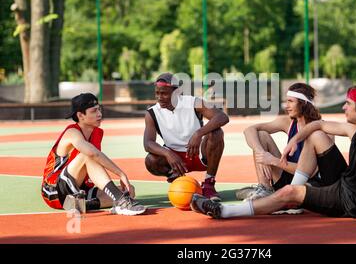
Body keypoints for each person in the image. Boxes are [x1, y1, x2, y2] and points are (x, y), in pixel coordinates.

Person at [190, 84, 356, 225]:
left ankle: (224, 212)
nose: (344, 106)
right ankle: (291, 196)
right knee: (314, 136)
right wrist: (294, 141)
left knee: (290, 192)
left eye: (349, 103)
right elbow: (318, 126)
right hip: (342, 184)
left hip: (350, 203)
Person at [41, 93, 146, 215]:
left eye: (99, 109)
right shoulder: (72, 132)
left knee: (129, 191)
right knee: (86, 155)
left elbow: (93, 165)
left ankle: (81, 204)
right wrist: (120, 174)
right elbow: (93, 154)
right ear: (80, 115)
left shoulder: (97, 133)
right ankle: (122, 202)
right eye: (94, 111)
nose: (100, 114)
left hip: (80, 188)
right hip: (54, 190)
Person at [235, 82, 339, 201]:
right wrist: (261, 154)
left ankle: (284, 198)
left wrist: (273, 160)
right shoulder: (287, 122)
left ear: (303, 103)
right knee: (261, 135)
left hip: (308, 183)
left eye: (290, 101)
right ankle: (265, 189)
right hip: (285, 176)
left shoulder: (323, 131)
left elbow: (310, 172)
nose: (286, 106)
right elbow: (249, 130)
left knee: (303, 192)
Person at [143, 73, 229, 201]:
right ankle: (178, 179)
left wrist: (198, 133)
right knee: (151, 160)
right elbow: (148, 143)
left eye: (164, 93)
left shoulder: (193, 102)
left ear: (177, 92)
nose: (159, 97)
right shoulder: (152, 113)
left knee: (216, 133)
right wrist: (167, 153)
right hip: (176, 159)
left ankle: (209, 184)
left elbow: (222, 117)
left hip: (197, 153)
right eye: (157, 93)